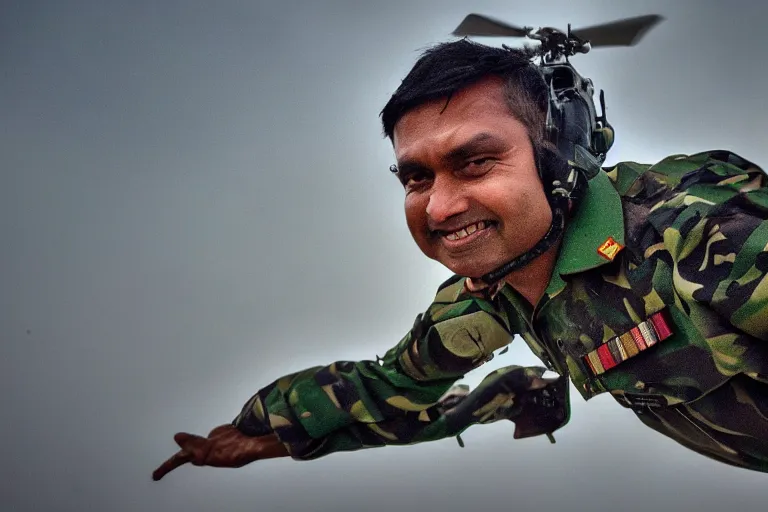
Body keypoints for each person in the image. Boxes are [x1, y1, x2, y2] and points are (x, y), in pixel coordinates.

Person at [152, 39, 768, 481]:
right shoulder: (493, 288)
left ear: (557, 161)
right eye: (416, 178)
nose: (441, 207)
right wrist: (267, 432)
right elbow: (392, 386)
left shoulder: (708, 237)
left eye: (476, 162)